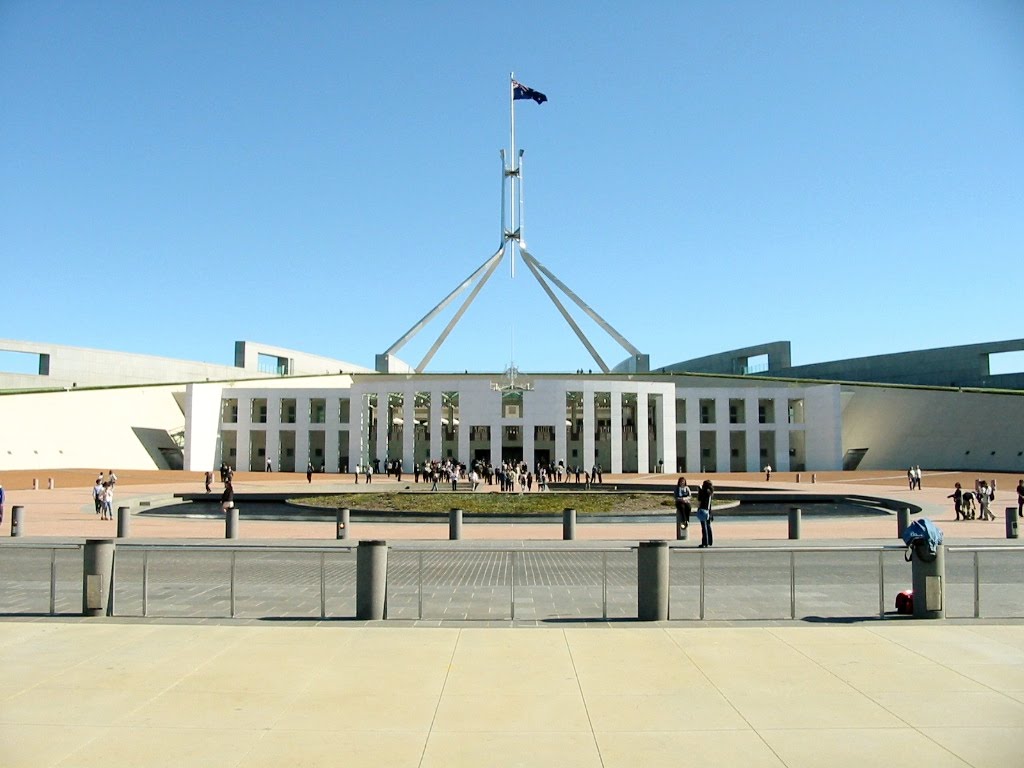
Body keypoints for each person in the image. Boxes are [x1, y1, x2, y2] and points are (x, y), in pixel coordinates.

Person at [696, 479, 714, 548]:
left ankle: (704, 542)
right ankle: (710, 541)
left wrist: (699, 491)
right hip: (708, 510)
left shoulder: (704, 492)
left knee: (704, 527)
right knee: (708, 526)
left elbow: (700, 501)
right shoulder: (710, 492)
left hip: (703, 510)